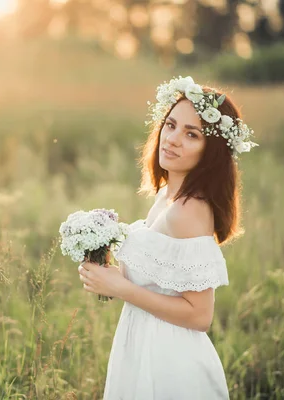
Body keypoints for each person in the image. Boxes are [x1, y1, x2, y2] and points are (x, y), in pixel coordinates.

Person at [77, 76, 258, 399]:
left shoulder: (189, 211)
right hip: (143, 341)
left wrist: (121, 288)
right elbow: (164, 281)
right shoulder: (168, 195)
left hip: (169, 358)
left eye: (192, 134)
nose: (173, 139)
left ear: (211, 151)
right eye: (171, 125)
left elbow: (200, 315)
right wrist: (110, 274)